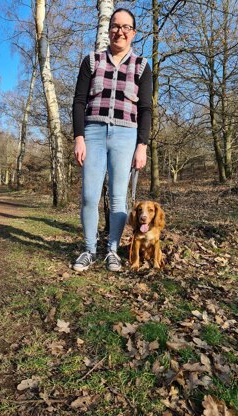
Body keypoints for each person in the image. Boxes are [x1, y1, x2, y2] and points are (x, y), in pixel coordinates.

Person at [72, 8, 152, 272]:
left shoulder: (141, 66)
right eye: (115, 26)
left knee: (119, 198)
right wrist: (79, 137)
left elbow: (145, 110)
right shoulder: (92, 61)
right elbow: (79, 101)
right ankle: (89, 250)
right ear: (108, 31)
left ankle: (113, 251)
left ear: (134, 33)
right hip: (93, 133)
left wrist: (142, 145)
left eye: (126, 27)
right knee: (88, 196)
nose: (120, 31)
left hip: (126, 136)